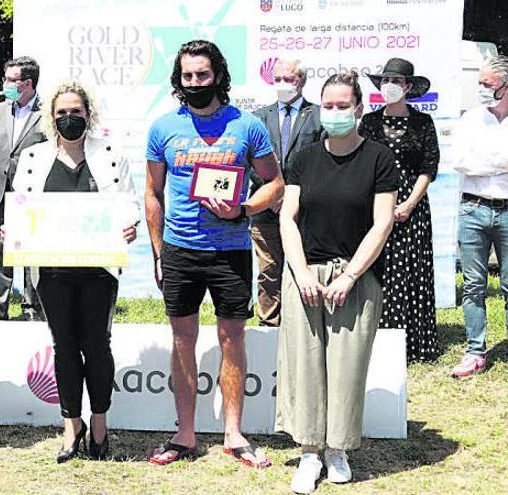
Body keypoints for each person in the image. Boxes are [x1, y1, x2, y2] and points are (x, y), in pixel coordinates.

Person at [145, 40, 284, 468]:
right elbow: (152, 193)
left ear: (218, 75)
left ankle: (234, 433)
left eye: (202, 75)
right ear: (178, 80)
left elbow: (275, 184)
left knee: (231, 338)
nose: (195, 83)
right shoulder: (163, 128)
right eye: (187, 77)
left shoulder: (247, 126)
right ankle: (184, 433)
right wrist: (156, 253)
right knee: (183, 339)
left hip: (231, 251)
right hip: (180, 250)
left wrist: (243, 208)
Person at [277, 71, 398, 494]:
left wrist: (350, 275)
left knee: (346, 367)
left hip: (356, 277)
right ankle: (309, 452)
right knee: (305, 365)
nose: (334, 113)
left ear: (359, 109)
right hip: (306, 276)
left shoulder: (379, 159)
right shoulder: (305, 157)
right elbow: (287, 217)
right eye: (327, 106)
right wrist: (301, 272)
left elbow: (382, 223)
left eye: (342, 105)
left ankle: (338, 450)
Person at [12, 80, 139, 462]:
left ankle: (99, 423)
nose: (70, 118)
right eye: (62, 113)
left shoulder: (112, 156)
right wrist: (16, 229)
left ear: (89, 115)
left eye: (76, 112)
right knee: (63, 346)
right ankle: (72, 426)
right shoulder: (34, 158)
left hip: (98, 268)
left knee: (97, 345)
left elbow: (129, 203)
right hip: (51, 269)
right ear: (52, 118)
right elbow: (19, 206)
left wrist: (129, 225)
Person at [360, 58, 440, 363]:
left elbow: (428, 167)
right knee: (377, 266)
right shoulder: (368, 122)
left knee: (410, 269)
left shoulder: (423, 123)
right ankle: (375, 339)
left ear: (407, 86)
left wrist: (408, 204)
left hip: (412, 205)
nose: (389, 86)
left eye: (396, 81)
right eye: (385, 80)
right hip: (375, 202)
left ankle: (413, 343)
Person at [0, 56, 48, 332]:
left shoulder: (46, 112)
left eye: (10, 80)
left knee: (31, 253)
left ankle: (31, 307)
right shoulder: (0, 110)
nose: (5, 85)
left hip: (32, 196)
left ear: (27, 83)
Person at [251, 58, 324, 327]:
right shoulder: (258, 117)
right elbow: (249, 162)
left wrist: (291, 197)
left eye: (289, 79)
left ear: (302, 81)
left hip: (303, 211)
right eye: (278, 78)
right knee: (268, 271)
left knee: (301, 269)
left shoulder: (317, 116)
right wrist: (272, 195)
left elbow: (321, 161)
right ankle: (268, 326)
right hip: (265, 208)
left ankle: (301, 327)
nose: (282, 84)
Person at [451, 54, 508, 378]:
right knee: (473, 284)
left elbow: (478, 161)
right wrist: (501, 161)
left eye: (488, 84)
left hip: (507, 208)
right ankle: (475, 351)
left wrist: (485, 159)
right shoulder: (471, 118)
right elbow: (461, 160)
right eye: (480, 84)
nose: (483, 90)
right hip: (473, 207)